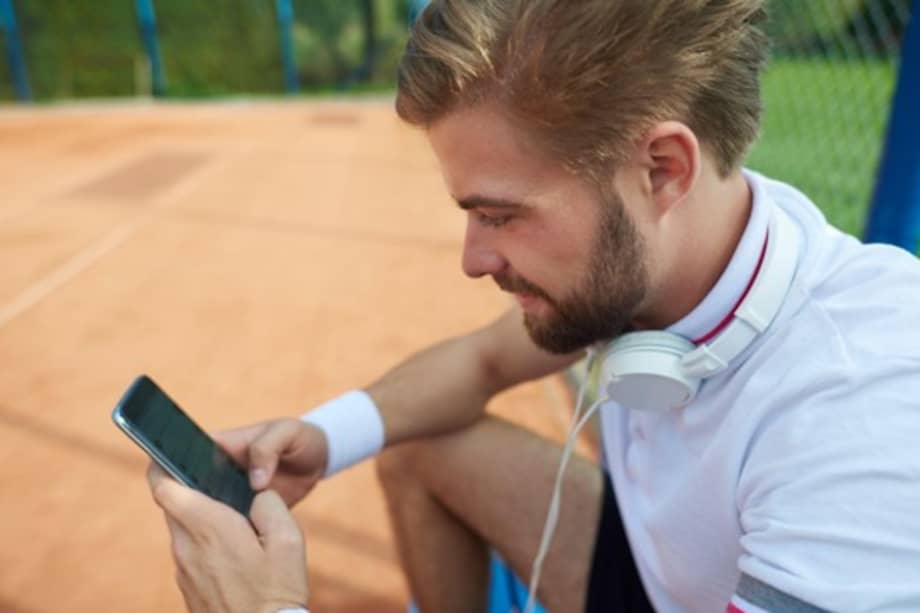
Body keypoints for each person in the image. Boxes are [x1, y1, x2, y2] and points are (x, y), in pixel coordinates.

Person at [145, 1, 920, 612]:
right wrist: (323, 435)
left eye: (502, 214)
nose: (474, 258)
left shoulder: (860, 412)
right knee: (417, 441)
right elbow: (483, 360)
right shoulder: (678, 240)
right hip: (647, 565)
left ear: (661, 168)